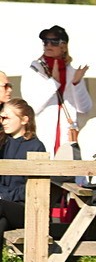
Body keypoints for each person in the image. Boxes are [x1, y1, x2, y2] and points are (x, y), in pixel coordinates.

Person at [22, 25, 92, 157]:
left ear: (64, 46)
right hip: (42, 137)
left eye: (54, 41)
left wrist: (76, 84)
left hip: (67, 138)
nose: (48, 45)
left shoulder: (71, 72)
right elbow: (31, 108)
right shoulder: (33, 71)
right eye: (45, 41)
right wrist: (54, 82)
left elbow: (84, 109)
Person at [0, 99, 47, 249]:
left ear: (24, 120)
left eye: (6, 117)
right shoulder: (2, 142)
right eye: (1, 118)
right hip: (3, 206)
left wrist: (5, 196)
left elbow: (32, 187)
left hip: (25, 208)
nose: (3, 122)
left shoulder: (35, 146)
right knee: (1, 222)